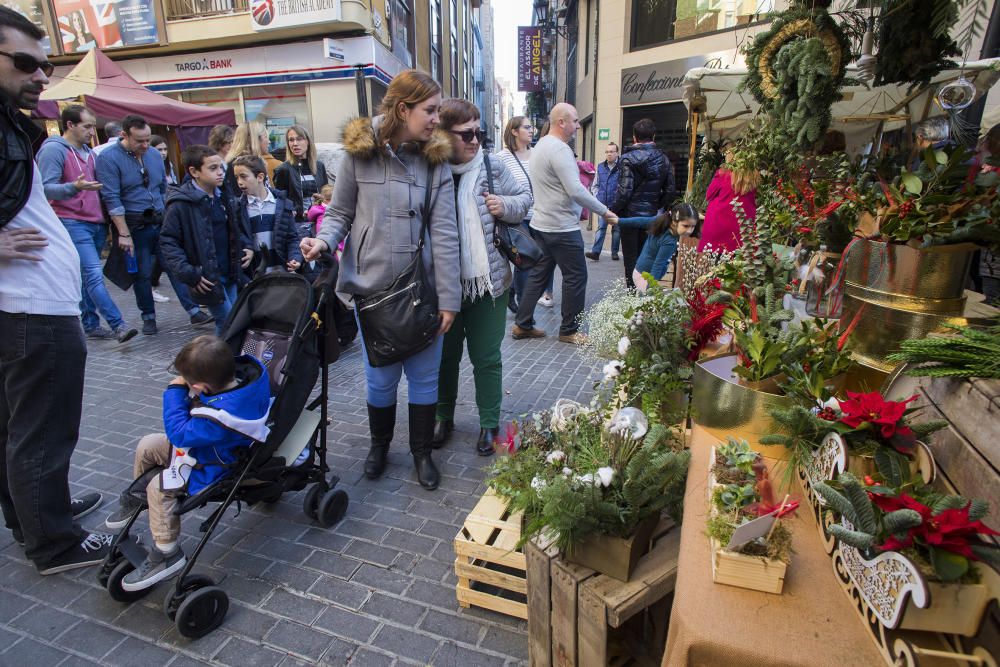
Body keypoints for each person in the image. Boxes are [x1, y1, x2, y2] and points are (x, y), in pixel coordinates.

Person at [300, 69, 459, 491]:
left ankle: (422, 452)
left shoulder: (434, 158)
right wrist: (322, 242)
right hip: (372, 289)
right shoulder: (360, 151)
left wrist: (449, 298)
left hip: (421, 288)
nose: (435, 119)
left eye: (438, 110)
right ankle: (379, 445)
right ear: (403, 109)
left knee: (425, 376)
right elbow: (340, 212)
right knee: (381, 377)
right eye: (430, 110)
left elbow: (445, 231)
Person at [0, 5, 111, 574]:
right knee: (42, 432)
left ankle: (36, 516)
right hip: (30, 309)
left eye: (45, 65)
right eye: (25, 63)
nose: (41, 76)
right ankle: (54, 543)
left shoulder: (13, 123)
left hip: (27, 305)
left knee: (21, 429)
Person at [104, 335, 270, 591]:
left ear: (202, 387)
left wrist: (175, 391)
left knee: (158, 487)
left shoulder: (221, 416)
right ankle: (138, 498)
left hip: (213, 464)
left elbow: (179, 433)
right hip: (200, 447)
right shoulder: (240, 379)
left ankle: (167, 552)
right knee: (148, 445)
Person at [434, 99, 531, 456]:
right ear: (445, 135)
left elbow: (525, 197)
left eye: (480, 132)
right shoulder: (433, 168)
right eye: (466, 134)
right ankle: (443, 417)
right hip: (444, 285)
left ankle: (489, 423)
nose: (475, 140)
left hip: (489, 283)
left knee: (486, 358)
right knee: (445, 357)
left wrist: (504, 206)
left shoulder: (492, 165)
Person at [96, 114, 213, 334]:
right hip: (134, 223)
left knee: (174, 265)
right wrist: (123, 233)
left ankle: (193, 311)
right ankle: (148, 316)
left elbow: (161, 187)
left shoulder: (152, 155)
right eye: (139, 140)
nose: (145, 145)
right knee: (141, 273)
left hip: (160, 219)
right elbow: (111, 198)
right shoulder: (108, 158)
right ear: (124, 135)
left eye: (147, 139)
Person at [512, 103, 617, 345]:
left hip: (542, 223)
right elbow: (576, 190)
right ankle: (569, 330)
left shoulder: (539, 148)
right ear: (562, 122)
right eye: (576, 121)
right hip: (562, 227)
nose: (579, 126)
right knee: (576, 276)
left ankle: (522, 324)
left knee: (538, 275)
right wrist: (604, 211)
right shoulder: (560, 150)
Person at [36, 103, 138, 344]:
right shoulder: (54, 150)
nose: (93, 132)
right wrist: (74, 187)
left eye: (93, 126)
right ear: (69, 125)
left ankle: (90, 324)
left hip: (95, 222)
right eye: (87, 126)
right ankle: (118, 324)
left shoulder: (90, 153)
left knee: (85, 277)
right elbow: (44, 188)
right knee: (93, 274)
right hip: (72, 222)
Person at [160, 145, 254, 336]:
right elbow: (168, 241)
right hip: (207, 277)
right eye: (213, 169)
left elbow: (237, 228)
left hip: (229, 271)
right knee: (229, 322)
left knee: (232, 322)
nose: (220, 173)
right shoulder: (181, 204)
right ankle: (221, 363)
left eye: (220, 167)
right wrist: (189, 273)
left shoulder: (224, 195)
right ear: (194, 172)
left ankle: (225, 362)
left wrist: (247, 246)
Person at [611, 118, 676, 289]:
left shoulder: (627, 159)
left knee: (631, 260)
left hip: (630, 218)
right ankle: (643, 298)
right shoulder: (664, 159)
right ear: (653, 135)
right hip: (651, 218)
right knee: (646, 259)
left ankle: (633, 298)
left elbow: (624, 192)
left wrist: (612, 211)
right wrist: (654, 206)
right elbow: (670, 191)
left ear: (634, 137)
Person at [232, 154, 302, 276]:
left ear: (260, 177)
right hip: (256, 276)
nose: (239, 182)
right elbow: (239, 238)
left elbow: (292, 238)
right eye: (236, 177)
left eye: (243, 177)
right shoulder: (238, 208)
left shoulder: (282, 204)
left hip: (282, 274)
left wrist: (295, 258)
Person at [497, 116, 537, 315]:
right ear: (514, 131)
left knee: (532, 262)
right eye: (527, 127)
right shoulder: (502, 158)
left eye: (532, 127)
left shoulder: (538, 154)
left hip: (540, 218)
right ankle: (524, 309)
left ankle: (514, 294)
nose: (532, 131)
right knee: (525, 263)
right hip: (517, 219)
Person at [614, 202, 698, 291]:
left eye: (693, 226)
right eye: (686, 226)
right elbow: (658, 264)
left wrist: (618, 221)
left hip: (639, 271)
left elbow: (640, 221)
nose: (689, 230)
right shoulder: (669, 241)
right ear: (674, 221)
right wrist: (651, 288)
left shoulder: (661, 222)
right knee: (646, 302)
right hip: (646, 279)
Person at [698, 143, 759, 252]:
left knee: (714, 260)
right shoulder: (753, 176)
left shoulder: (723, 173)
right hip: (742, 226)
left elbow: (709, 195)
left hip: (719, 224)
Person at [274, 124, 330, 234]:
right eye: (291, 140)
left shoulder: (319, 166)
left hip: (320, 223)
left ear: (308, 141)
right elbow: (280, 200)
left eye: (299, 139)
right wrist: (293, 211)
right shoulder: (283, 169)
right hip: (297, 225)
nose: (295, 144)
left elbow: (327, 196)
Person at [585, 142, 621, 261]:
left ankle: (614, 252)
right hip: (603, 205)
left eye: (611, 151)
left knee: (616, 229)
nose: (609, 154)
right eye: (607, 152)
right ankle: (596, 252)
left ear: (617, 153)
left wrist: (620, 199)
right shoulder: (600, 167)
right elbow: (595, 185)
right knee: (601, 228)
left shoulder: (622, 167)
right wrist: (597, 198)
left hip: (617, 204)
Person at [223, 122, 270, 199]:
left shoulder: (258, 161)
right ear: (255, 139)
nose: (269, 141)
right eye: (266, 137)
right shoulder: (236, 165)